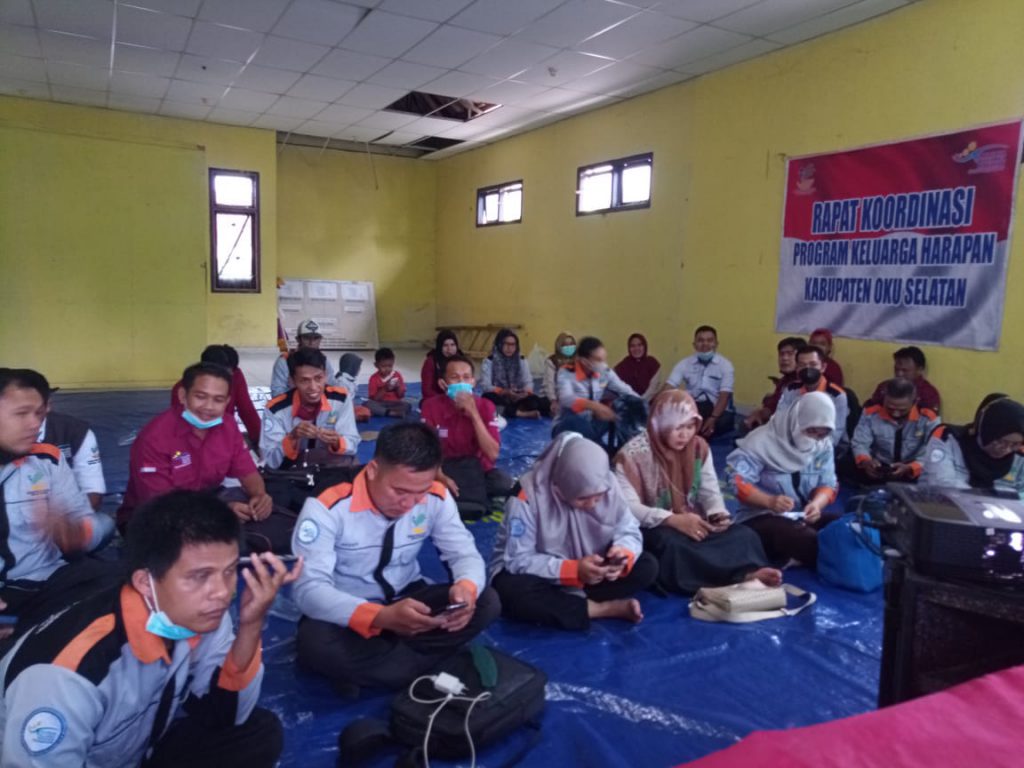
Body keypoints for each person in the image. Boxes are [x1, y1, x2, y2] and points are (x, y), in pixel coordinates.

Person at [0, 490, 298, 767]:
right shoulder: (67, 676)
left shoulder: (200, 615)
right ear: (145, 582)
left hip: (138, 750)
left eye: (229, 571)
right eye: (200, 576)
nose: (222, 592)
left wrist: (250, 626)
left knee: (257, 733)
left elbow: (226, 715)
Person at [291, 422, 500, 693]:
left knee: (486, 601)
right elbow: (309, 590)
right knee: (316, 643)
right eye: (399, 491)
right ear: (373, 469)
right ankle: (421, 663)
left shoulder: (436, 495)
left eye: (420, 492)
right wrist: (381, 617)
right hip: (351, 608)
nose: (409, 504)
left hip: (409, 599)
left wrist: (466, 588)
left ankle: (382, 667)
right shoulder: (327, 506)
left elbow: (463, 552)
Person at [615, 391, 780, 595]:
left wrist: (717, 513)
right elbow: (629, 508)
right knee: (671, 546)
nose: (685, 435)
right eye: (677, 428)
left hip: (693, 520)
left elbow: (708, 488)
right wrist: (671, 519)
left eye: (690, 426)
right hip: (654, 525)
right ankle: (733, 577)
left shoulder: (697, 448)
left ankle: (744, 574)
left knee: (744, 535)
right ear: (660, 424)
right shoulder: (631, 456)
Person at [490, 433, 658, 630]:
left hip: (591, 569)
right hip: (541, 573)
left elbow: (627, 527)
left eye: (598, 497)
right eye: (582, 498)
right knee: (509, 590)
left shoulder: (608, 484)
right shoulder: (528, 496)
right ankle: (600, 609)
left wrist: (621, 555)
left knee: (646, 566)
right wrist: (572, 570)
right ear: (560, 487)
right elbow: (518, 559)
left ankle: (568, 601)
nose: (592, 504)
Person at [119, 362, 291, 553]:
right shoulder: (154, 438)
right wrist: (219, 512)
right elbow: (160, 506)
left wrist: (259, 496)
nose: (208, 407)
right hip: (157, 518)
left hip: (210, 502)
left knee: (286, 533)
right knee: (200, 549)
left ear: (227, 402)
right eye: (200, 397)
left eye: (218, 400)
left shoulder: (227, 426)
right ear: (183, 396)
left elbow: (248, 472)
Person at [0, 368, 116, 637]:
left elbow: (82, 520)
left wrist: (78, 534)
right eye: (22, 413)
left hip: (45, 580)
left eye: (39, 414)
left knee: (124, 587)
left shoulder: (48, 460)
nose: (35, 424)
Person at [725, 392, 838, 567]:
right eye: (810, 430)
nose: (814, 438)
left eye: (821, 434)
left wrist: (816, 505)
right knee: (806, 539)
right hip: (759, 517)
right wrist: (769, 501)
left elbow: (828, 483)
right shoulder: (761, 442)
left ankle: (801, 556)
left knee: (845, 527)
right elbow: (736, 481)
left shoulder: (822, 446)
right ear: (797, 421)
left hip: (800, 516)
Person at [421, 355, 513, 518]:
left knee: (503, 482)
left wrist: (474, 414)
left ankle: (458, 497)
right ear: (443, 384)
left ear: (473, 382)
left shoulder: (485, 406)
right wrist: (440, 476)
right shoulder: (430, 406)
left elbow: (492, 454)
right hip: (441, 467)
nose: (461, 383)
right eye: (455, 378)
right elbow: (425, 451)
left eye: (466, 378)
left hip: (475, 470)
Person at [260, 347, 359, 471]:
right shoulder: (275, 410)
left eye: (318, 378)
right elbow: (270, 461)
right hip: (292, 471)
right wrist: (292, 437)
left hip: (329, 466)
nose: (313, 387)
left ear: (326, 376)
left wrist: (337, 441)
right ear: (292, 381)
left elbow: (352, 442)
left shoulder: (341, 399)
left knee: (352, 463)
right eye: (304, 380)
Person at [921, 394, 1024, 495]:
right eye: (1001, 441)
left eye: (1015, 444)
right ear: (988, 431)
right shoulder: (948, 438)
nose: (1006, 449)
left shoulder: (1019, 456)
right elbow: (942, 484)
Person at [553, 336, 642, 448]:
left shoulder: (605, 372)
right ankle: (599, 448)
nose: (603, 364)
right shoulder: (566, 372)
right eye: (599, 360)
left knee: (623, 408)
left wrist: (643, 405)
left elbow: (625, 390)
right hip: (568, 427)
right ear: (584, 361)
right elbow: (566, 399)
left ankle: (625, 448)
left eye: (604, 359)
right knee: (575, 419)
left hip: (592, 424)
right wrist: (595, 406)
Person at [849, 378, 939, 485]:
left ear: (914, 402)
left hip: (914, 470)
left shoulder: (928, 417)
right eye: (890, 408)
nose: (896, 414)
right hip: (879, 467)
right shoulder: (871, 412)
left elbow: (934, 451)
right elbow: (860, 442)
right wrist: (866, 461)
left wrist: (911, 468)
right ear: (884, 399)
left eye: (902, 410)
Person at [172, 345, 261, 447]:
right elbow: (179, 427)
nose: (209, 406)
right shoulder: (183, 389)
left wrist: (259, 439)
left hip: (224, 437)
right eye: (201, 397)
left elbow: (246, 409)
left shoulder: (235, 375)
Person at [776, 345, 850, 456]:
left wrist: (808, 450)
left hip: (826, 449)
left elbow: (835, 434)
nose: (807, 369)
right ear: (797, 368)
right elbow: (780, 420)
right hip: (793, 444)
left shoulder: (837, 395)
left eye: (813, 364)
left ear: (823, 367)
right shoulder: (791, 389)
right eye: (802, 365)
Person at [664, 325, 735, 438]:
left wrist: (713, 418)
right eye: (700, 340)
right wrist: (656, 406)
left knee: (718, 425)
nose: (705, 344)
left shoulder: (725, 365)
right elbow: (669, 387)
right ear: (694, 345)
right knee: (670, 421)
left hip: (718, 410)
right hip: (694, 406)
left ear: (716, 344)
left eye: (710, 340)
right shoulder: (684, 363)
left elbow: (724, 396)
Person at [39, 404, 106, 511]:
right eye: (21, 412)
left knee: (102, 520)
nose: (30, 421)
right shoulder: (9, 435)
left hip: (67, 513)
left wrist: (70, 518)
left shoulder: (76, 431)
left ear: (48, 405)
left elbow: (93, 490)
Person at [480, 328, 551, 419]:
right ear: (499, 344)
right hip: (500, 397)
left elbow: (528, 381)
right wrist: (505, 392)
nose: (509, 348)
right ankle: (521, 413)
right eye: (506, 344)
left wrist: (525, 392)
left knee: (539, 401)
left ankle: (515, 410)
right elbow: (486, 386)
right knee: (488, 399)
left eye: (513, 345)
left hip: (518, 397)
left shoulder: (521, 360)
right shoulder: (489, 361)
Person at [742, 336, 804, 433]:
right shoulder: (784, 381)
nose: (784, 358)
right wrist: (760, 413)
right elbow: (772, 408)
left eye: (790, 354)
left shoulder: (802, 383)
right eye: (781, 354)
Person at [270, 319, 337, 398]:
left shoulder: (324, 360)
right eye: (307, 338)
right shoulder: (284, 361)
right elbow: (277, 393)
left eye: (316, 338)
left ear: (320, 340)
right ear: (298, 340)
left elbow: (332, 387)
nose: (311, 342)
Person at [866, 346, 941, 413]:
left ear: (920, 369)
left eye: (905, 370)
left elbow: (930, 420)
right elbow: (869, 411)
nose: (899, 374)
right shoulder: (884, 387)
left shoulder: (928, 393)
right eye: (896, 369)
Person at [613, 333, 662, 402]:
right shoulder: (625, 364)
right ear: (629, 348)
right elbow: (613, 379)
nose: (636, 349)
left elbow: (652, 389)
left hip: (649, 403)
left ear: (644, 346)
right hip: (629, 403)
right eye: (632, 346)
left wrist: (640, 402)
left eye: (640, 345)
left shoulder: (652, 363)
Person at [366, 347, 410, 418]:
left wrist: (398, 387)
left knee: (407, 405)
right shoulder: (373, 378)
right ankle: (391, 413)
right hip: (380, 403)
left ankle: (383, 412)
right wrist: (385, 388)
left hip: (395, 404)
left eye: (390, 366)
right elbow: (374, 399)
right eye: (383, 366)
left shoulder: (397, 375)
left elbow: (401, 396)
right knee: (367, 404)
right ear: (376, 365)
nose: (387, 369)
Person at [420, 330, 462, 402]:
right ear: (440, 346)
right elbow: (427, 390)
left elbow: (467, 384)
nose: (449, 349)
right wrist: (445, 398)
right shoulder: (431, 362)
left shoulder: (461, 360)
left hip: (458, 398)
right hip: (436, 398)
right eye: (445, 345)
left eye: (452, 345)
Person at [542, 331, 576, 417]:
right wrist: (553, 400)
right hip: (553, 397)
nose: (569, 347)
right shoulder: (552, 361)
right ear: (559, 346)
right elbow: (549, 383)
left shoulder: (578, 360)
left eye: (571, 344)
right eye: (565, 345)